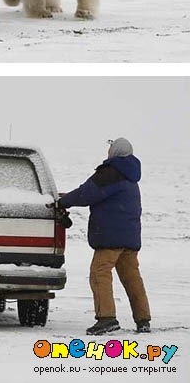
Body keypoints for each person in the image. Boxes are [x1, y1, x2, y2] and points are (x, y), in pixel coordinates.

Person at [57, 138, 151, 335]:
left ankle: (106, 318)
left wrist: (63, 202)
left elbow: (86, 193)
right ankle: (143, 319)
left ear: (115, 151)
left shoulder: (110, 172)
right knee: (132, 277)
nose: (108, 150)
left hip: (111, 237)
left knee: (99, 273)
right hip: (129, 237)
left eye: (110, 147)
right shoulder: (130, 174)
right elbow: (98, 194)